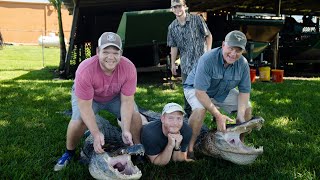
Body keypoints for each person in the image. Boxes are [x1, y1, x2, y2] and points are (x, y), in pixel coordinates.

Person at [54, 32, 143, 171]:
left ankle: (135, 148)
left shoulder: (129, 68)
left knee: (134, 115)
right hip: (91, 98)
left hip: (114, 96)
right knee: (79, 120)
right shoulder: (85, 70)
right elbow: (85, 107)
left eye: (115, 52)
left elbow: (127, 101)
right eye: (106, 51)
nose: (111, 57)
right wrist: (96, 134)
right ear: (97, 52)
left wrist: (125, 129)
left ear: (121, 53)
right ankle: (69, 152)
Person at [183, 30, 252, 158]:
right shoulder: (207, 59)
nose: (233, 54)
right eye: (231, 48)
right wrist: (218, 115)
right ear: (223, 45)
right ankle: (189, 148)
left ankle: (239, 143)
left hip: (221, 92)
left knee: (247, 108)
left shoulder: (243, 64)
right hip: (196, 88)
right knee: (200, 109)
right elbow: (200, 92)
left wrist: (241, 116)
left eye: (238, 50)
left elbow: (244, 91)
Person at [167, 0, 212, 118]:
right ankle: (188, 118)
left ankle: (214, 115)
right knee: (187, 93)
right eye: (174, 7)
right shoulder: (172, 27)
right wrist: (172, 63)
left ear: (185, 7)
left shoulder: (197, 20)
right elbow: (174, 46)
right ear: (171, 9)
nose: (177, 9)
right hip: (186, 66)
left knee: (208, 90)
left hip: (202, 63)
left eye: (179, 6)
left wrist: (208, 54)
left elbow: (208, 36)